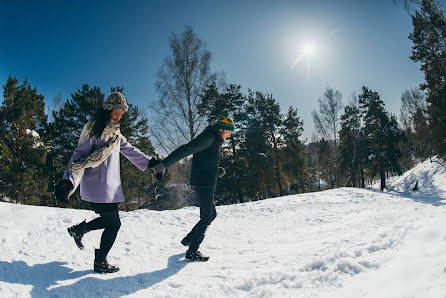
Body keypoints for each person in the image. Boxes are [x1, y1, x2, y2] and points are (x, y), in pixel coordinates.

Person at [55, 91, 157, 273]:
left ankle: (80, 231)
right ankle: (100, 261)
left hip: (109, 188)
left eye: (121, 114)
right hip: (96, 185)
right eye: (116, 113)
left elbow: (129, 150)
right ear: (107, 110)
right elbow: (78, 157)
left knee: (110, 221)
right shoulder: (94, 130)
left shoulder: (115, 133)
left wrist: (150, 163)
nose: (119, 117)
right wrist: (67, 182)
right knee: (114, 223)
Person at [151, 109, 235, 261]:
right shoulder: (209, 137)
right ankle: (192, 251)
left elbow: (204, 160)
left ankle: (189, 239)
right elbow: (187, 149)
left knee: (211, 214)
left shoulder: (214, 138)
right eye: (229, 131)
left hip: (206, 180)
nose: (230, 135)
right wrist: (163, 165)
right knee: (207, 217)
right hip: (204, 183)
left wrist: (216, 170)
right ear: (222, 129)